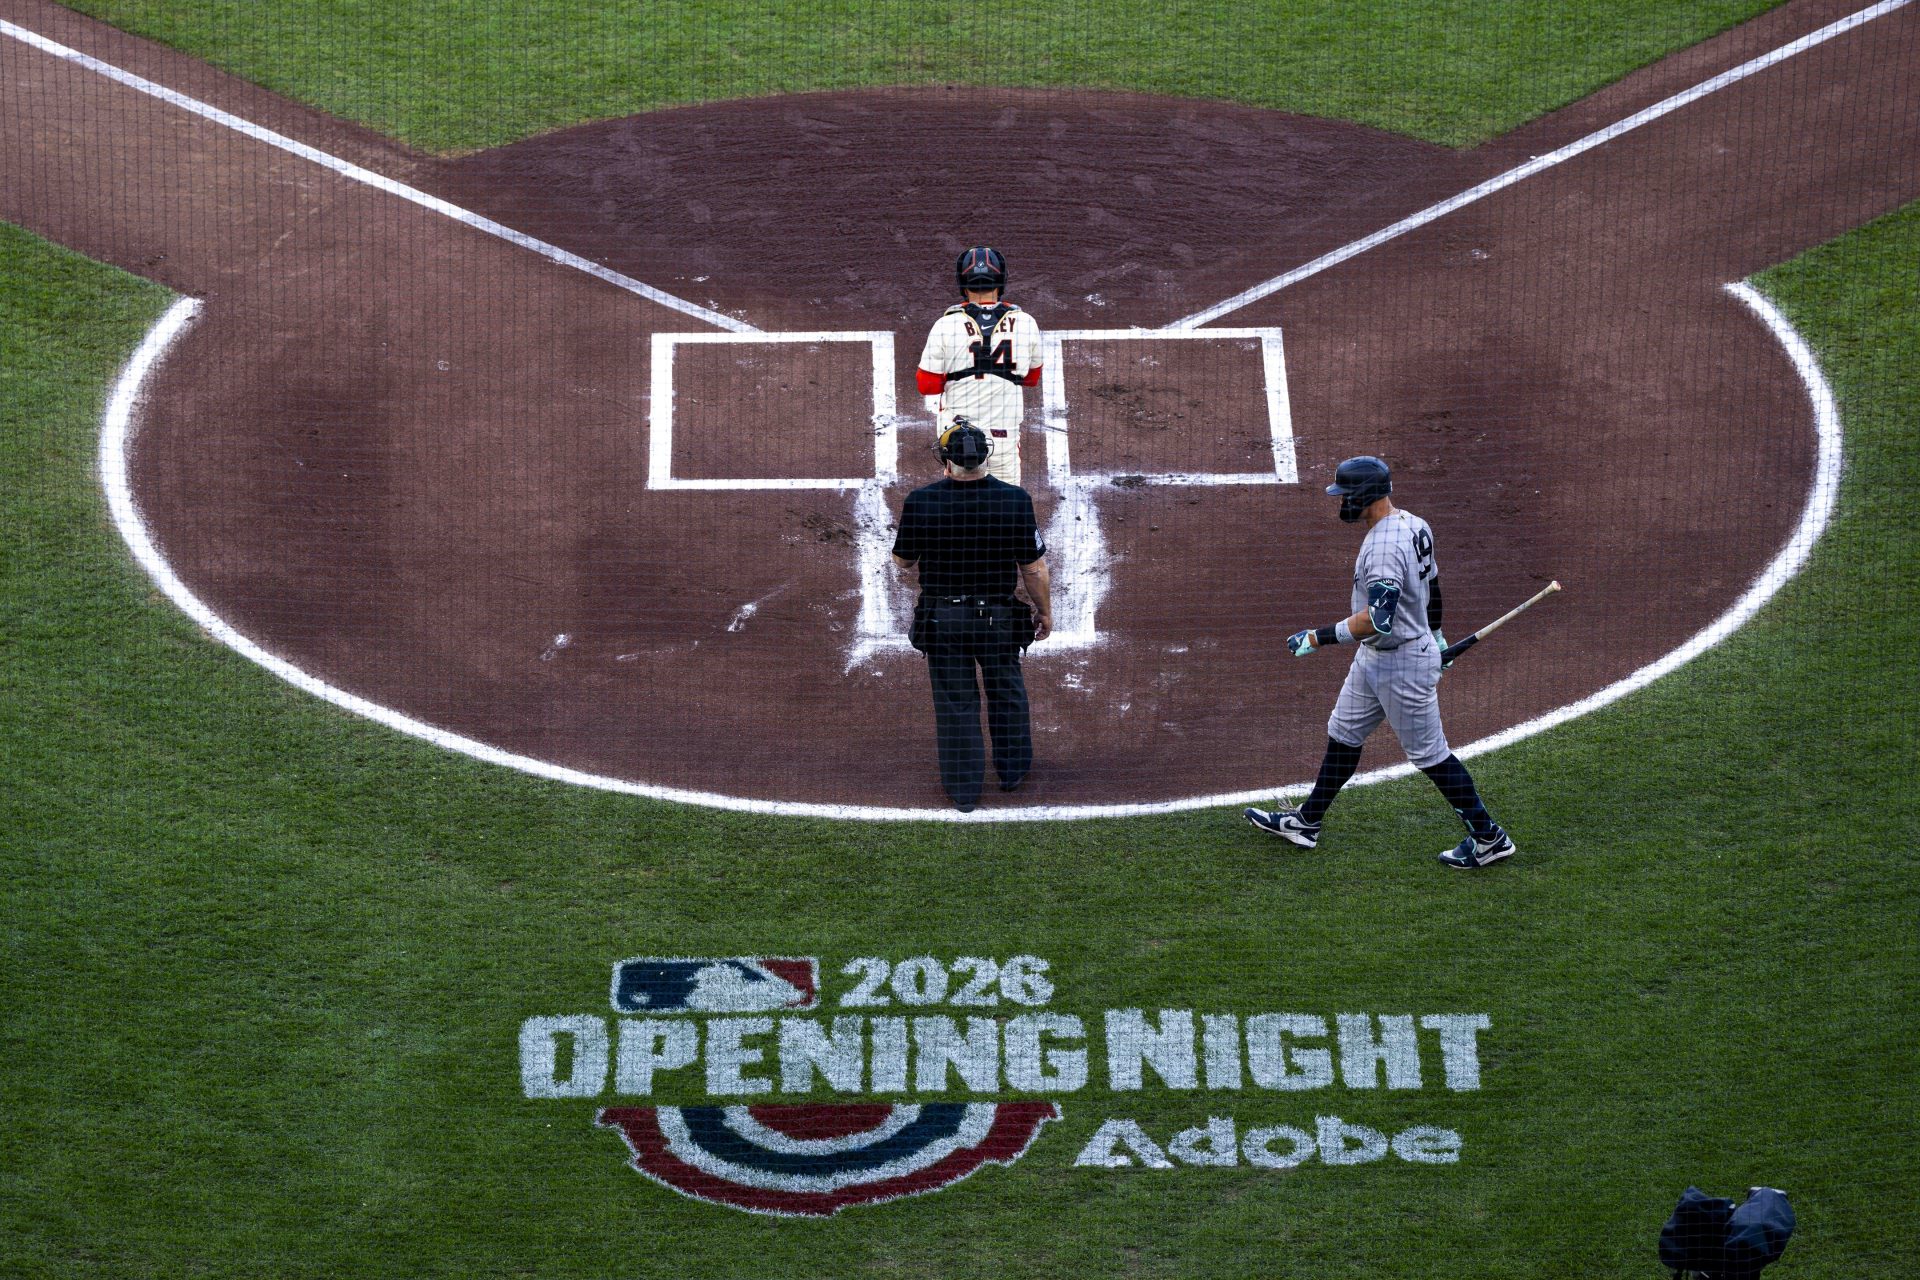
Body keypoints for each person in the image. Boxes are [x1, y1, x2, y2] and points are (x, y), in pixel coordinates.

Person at [1244, 455, 1518, 869]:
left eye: (1346, 495)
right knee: (1344, 732)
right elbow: (1432, 585)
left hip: (1402, 664)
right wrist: (1436, 635)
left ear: (1365, 496)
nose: (1342, 503)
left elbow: (1378, 620)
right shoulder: (1414, 524)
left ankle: (1489, 838)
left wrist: (1317, 637)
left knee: (1431, 756)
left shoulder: (1385, 547)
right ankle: (1307, 821)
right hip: (1377, 657)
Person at [891, 420, 1053, 811]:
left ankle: (964, 791)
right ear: (985, 457)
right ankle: (1012, 771)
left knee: (956, 704)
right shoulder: (1015, 500)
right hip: (998, 620)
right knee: (1007, 693)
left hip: (943, 621)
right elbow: (1033, 569)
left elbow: (903, 561)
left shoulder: (921, 501)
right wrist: (1044, 612)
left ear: (946, 461)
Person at [915, 246, 1044, 487]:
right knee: (1006, 500)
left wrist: (961, 374)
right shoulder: (1026, 323)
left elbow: (927, 385)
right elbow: (1032, 378)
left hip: (959, 439)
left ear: (962, 283)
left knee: (961, 499)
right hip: (1002, 435)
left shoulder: (946, 325)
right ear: (1001, 280)